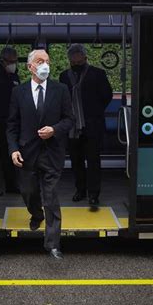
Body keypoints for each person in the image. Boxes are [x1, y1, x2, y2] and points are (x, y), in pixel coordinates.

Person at [7, 49, 73, 260]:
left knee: (51, 197)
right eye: (40, 61)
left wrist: (54, 129)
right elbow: (11, 124)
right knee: (28, 191)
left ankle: (53, 244)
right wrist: (13, 148)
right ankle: (36, 214)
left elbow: (69, 119)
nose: (45, 64)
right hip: (27, 153)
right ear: (30, 67)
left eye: (47, 61)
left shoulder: (61, 89)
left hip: (52, 153)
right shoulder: (19, 92)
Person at [59, 44, 113, 207]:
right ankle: (80, 190)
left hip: (92, 125)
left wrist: (94, 112)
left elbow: (107, 95)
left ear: (84, 57)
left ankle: (94, 194)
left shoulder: (98, 74)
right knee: (76, 161)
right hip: (72, 127)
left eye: (78, 54)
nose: (75, 57)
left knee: (93, 161)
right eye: (72, 55)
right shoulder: (64, 76)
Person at [0, 46, 21, 195]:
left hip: (11, 120)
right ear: (3, 61)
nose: (13, 64)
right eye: (11, 62)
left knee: (9, 153)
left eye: (15, 61)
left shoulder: (14, 76)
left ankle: (11, 185)